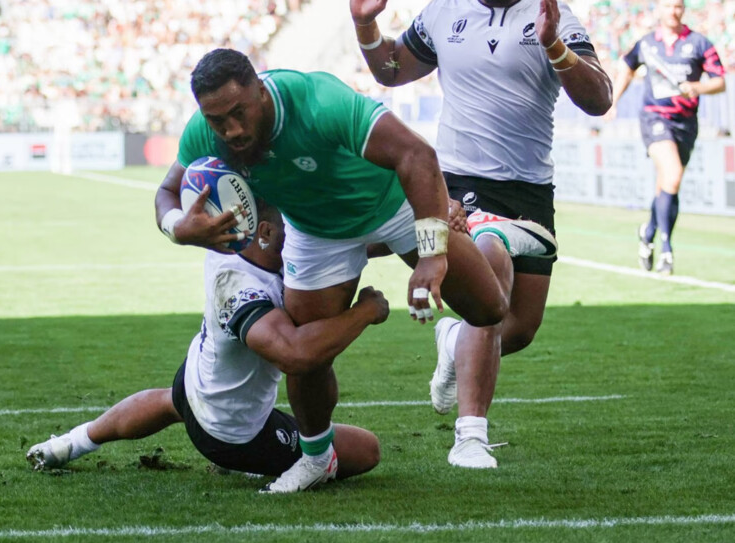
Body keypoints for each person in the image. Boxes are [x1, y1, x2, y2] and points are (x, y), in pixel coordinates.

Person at [155, 48, 557, 490]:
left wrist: (430, 255)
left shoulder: (318, 101)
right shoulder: (204, 132)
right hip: (315, 231)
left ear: (260, 92)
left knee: (490, 311)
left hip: (395, 205)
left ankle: (485, 240)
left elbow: (417, 156)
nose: (230, 130)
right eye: (217, 120)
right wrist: (179, 228)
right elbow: (167, 192)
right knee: (308, 358)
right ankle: (315, 457)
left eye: (238, 113)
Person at [349, 0, 612, 467]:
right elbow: (391, 70)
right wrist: (365, 23)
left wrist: (553, 44)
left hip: (529, 193)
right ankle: (470, 436)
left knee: (519, 328)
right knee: (494, 258)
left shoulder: (551, 14)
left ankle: (451, 341)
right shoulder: (444, 12)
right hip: (458, 186)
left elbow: (599, 98)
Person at [27, 202, 387, 491]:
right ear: (265, 232)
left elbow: (346, 245)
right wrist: (365, 311)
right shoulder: (240, 286)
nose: (307, 240)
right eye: (297, 231)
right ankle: (262, 464)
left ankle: (70, 444)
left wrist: (421, 227)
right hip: (232, 432)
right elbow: (294, 354)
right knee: (366, 449)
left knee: (168, 402)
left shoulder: (235, 249)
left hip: (195, 382)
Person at [606, 0, 726, 275]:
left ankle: (647, 233)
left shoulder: (699, 43)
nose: (674, 11)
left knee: (668, 186)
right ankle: (667, 249)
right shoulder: (646, 43)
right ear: (658, 10)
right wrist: (613, 101)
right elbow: (627, 66)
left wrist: (698, 86)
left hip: (686, 122)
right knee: (672, 174)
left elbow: (719, 82)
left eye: (678, 6)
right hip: (654, 118)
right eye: (669, 6)